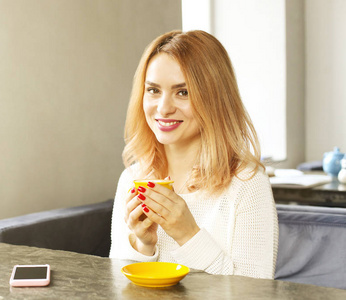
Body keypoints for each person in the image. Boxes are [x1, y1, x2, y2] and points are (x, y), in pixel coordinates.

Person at [109, 30, 278, 279]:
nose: (164, 108)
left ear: (215, 99)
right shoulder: (132, 179)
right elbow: (117, 287)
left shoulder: (247, 185)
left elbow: (255, 294)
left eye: (183, 92)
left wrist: (188, 234)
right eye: (153, 90)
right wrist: (144, 246)